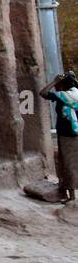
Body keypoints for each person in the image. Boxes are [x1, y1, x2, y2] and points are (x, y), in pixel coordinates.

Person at [41, 71, 78, 203]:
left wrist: (54, 82)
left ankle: (72, 196)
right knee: (69, 163)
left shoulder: (66, 96)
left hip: (69, 135)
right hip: (72, 133)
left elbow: (43, 93)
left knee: (69, 164)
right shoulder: (74, 93)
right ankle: (66, 192)